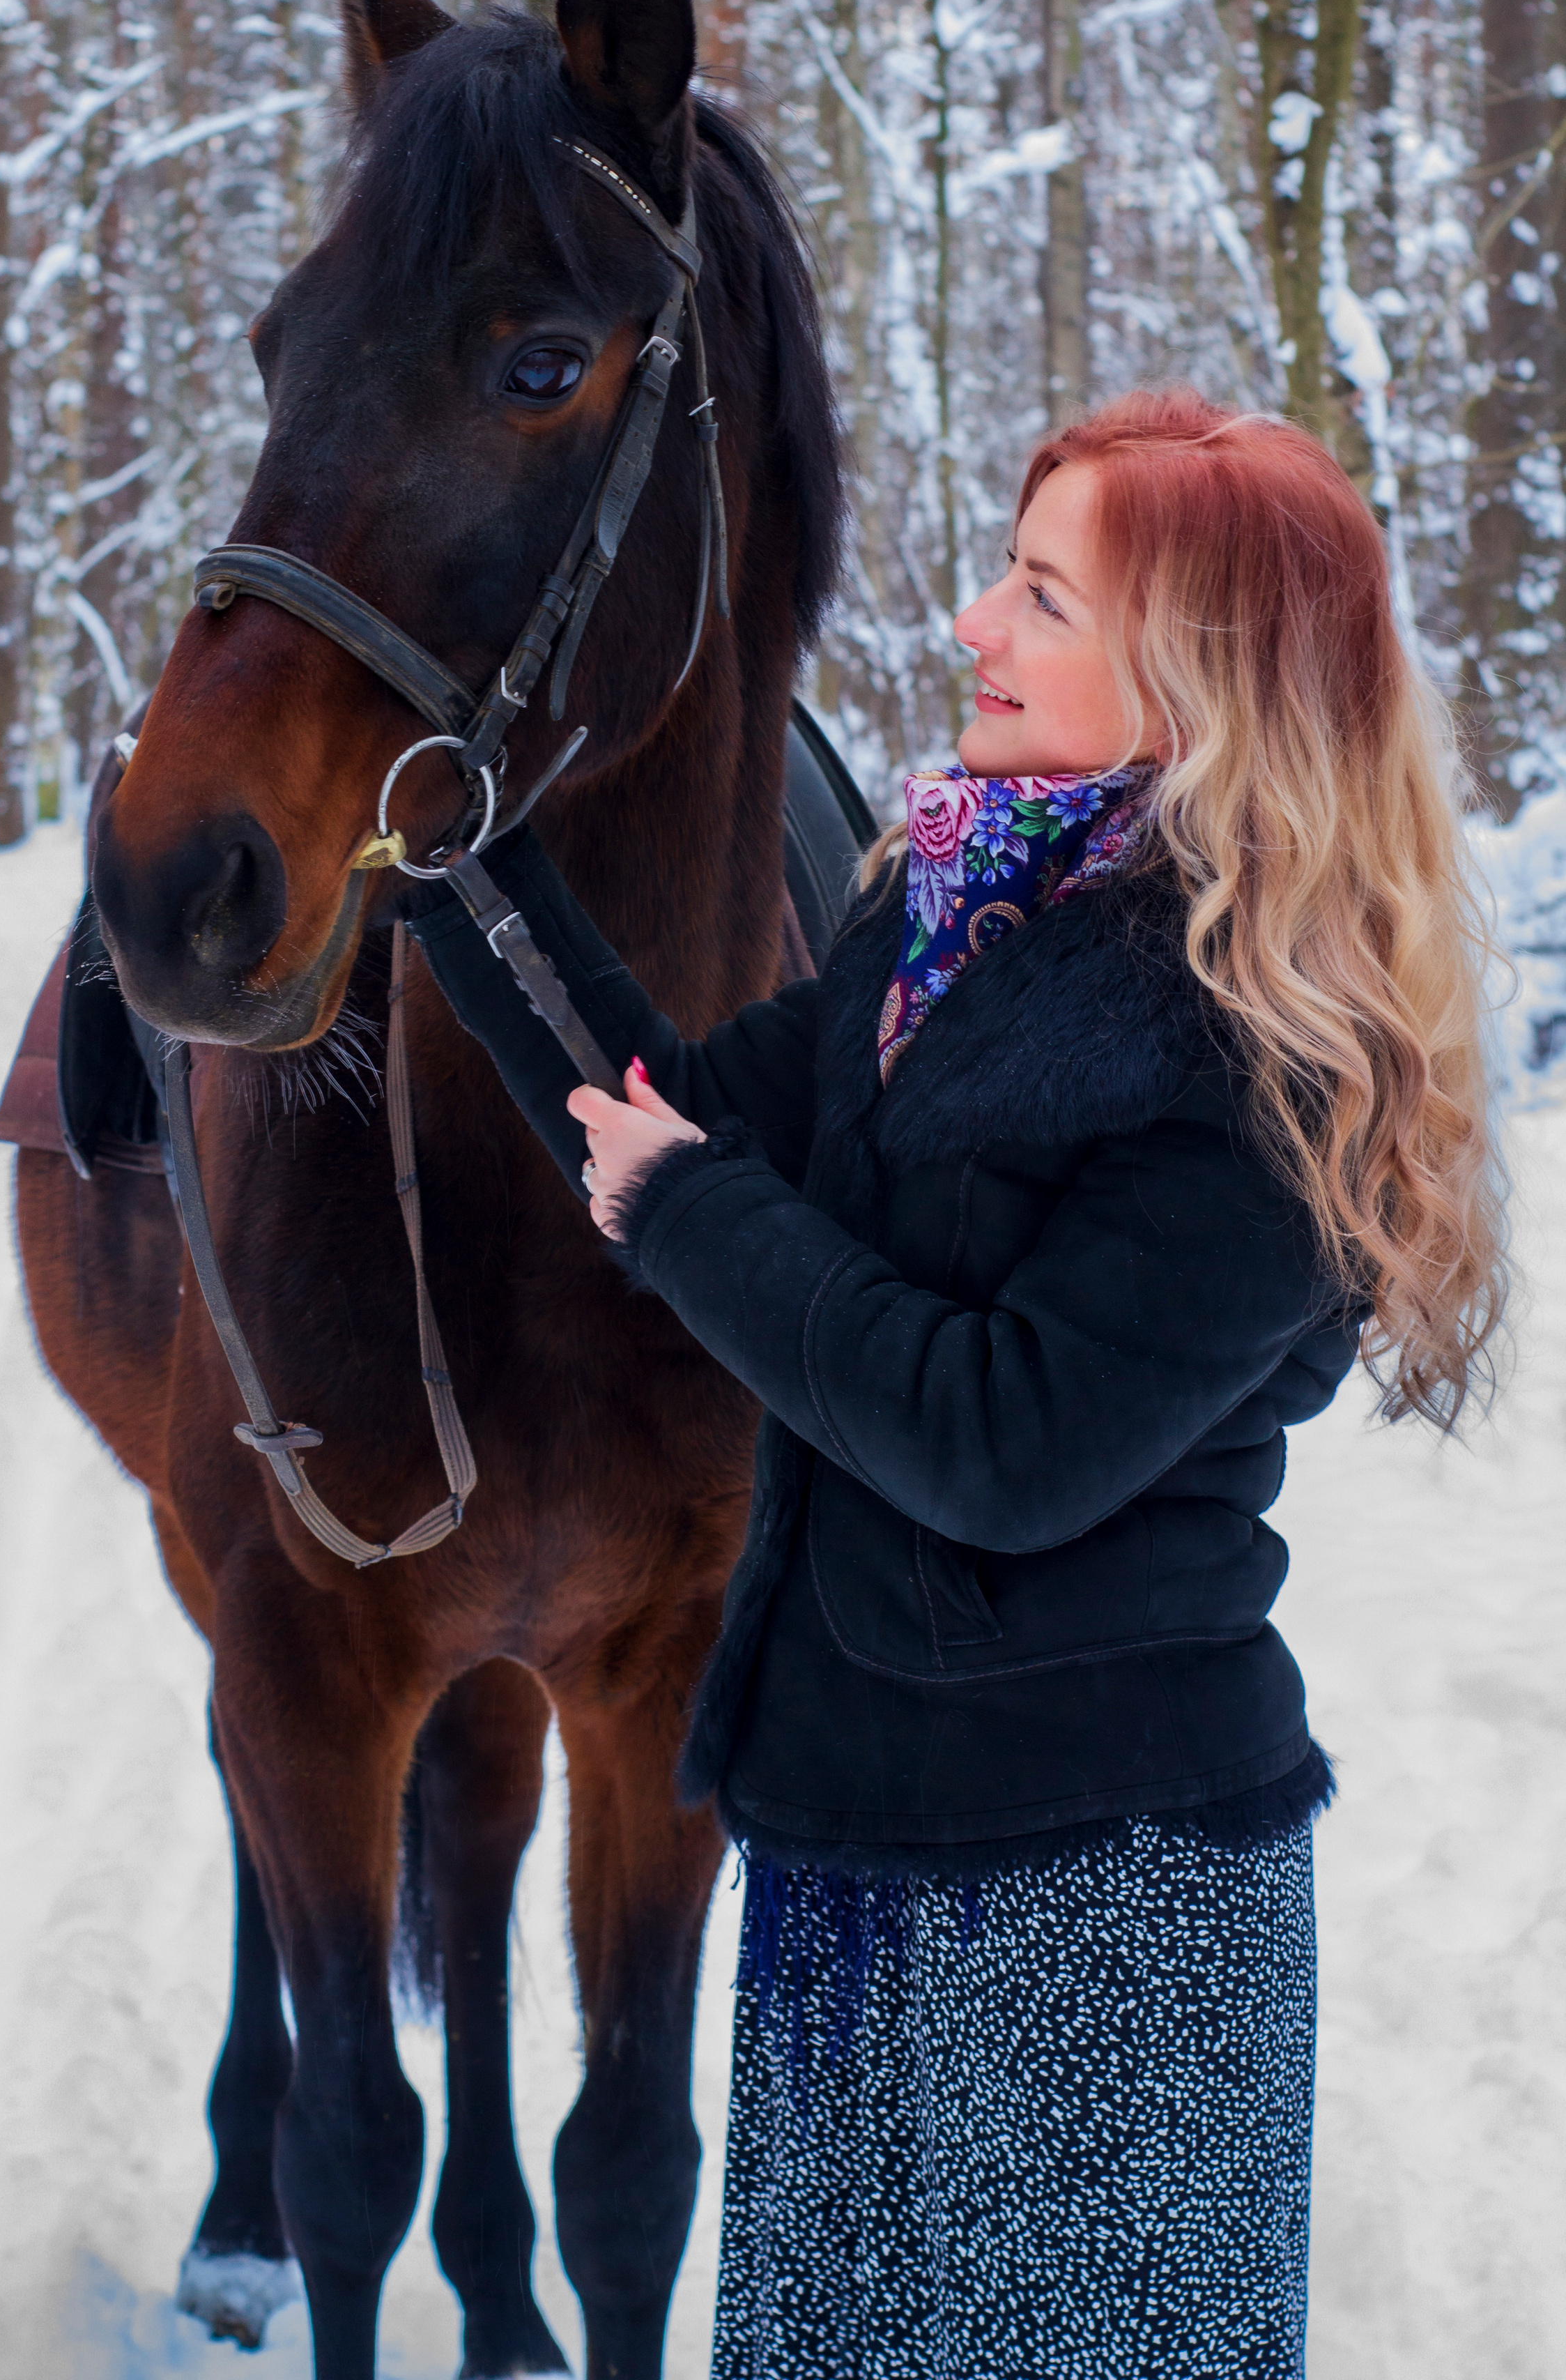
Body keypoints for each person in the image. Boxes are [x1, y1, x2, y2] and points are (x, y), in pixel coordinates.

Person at [401, 390, 1507, 2376]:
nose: (978, 628)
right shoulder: (942, 936)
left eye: (1042, 595)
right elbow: (660, 1117)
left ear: (1199, 677)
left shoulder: (1267, 1045)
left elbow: (1002, 1439)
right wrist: (453, 852)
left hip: (1109, 1917)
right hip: (843, 1864)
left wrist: (694, 1221)